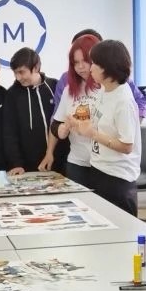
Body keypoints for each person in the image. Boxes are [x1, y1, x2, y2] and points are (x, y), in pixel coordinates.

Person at [67, 40, 141, 214]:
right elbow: (101, 125)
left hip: (117, 177)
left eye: (94, 64)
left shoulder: (123, 101)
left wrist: (92, 133)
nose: (90, 68)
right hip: (99, 169)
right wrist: (79, 125)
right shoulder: (103, 90)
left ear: (108, 68)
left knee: (120, 227)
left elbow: (127, 146)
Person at [52, 28, 146, 118]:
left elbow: (141, 104)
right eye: (76, 61)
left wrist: (132, 122)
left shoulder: (117, 79)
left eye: (85, 59)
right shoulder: (66, 80)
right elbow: (57, 117)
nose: (81, 66)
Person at [51, 34, 102, 188]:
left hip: (104, 165)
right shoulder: (69, 90)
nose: (80, 67)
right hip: (77, 163)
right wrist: (64, 128)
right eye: (76, 63)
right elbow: (56, 124)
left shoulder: (107, 88)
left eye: (85, 61)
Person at [3, 47, 63, 174]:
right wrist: (16, 163)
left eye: (21, 72)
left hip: (58, 163)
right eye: (15, 73)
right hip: (26, 168)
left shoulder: (55, 86)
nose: (18, 78)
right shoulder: (12, 94)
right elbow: (9, 132)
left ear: (36, 67)